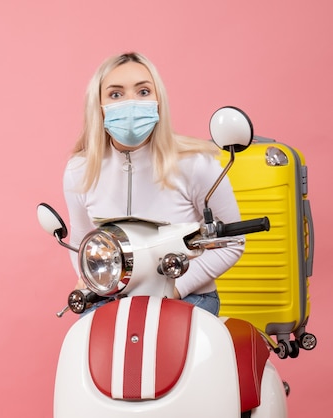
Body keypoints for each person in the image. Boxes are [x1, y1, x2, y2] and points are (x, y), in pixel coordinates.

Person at [63, 52, 243, 315]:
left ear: (158, 100)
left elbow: (233, 241)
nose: (131, 103)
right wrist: (95, 281)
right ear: (98, 106)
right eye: (115, 94)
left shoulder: (197, 163)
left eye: (143, 91)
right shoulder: (79, 169)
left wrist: (176, 288)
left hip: (186, 297)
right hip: (112, 299)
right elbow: (80, 241)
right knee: (86, 351)